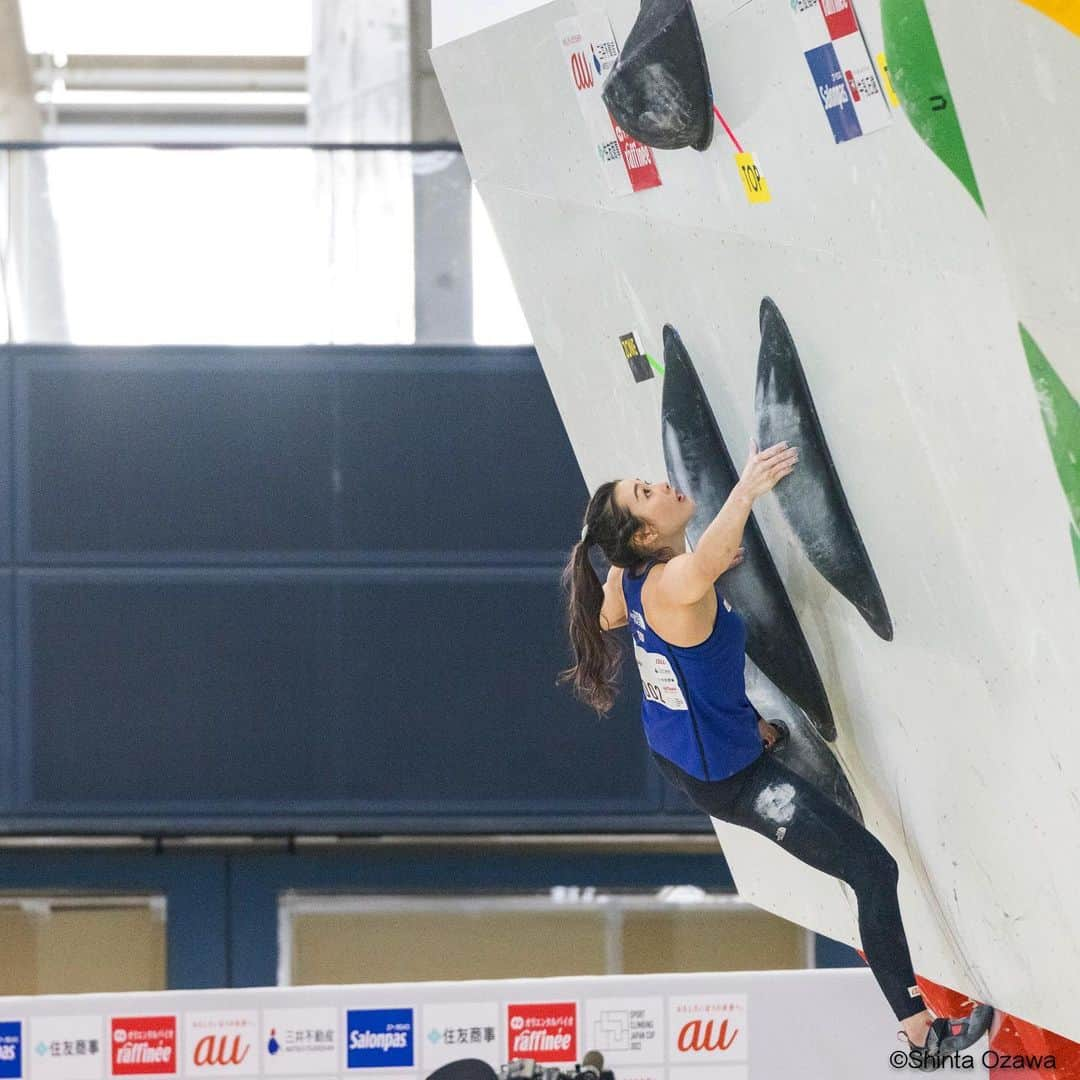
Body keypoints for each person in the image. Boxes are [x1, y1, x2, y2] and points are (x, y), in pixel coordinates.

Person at [558, 439, 993, 1067]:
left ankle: (744, 727)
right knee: (872, 871)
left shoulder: (633, 580)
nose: (661, 484)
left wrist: (620, 559)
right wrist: (748, 489)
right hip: (730, 778)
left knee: (729, 706)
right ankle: (922, 1033)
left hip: (684, 747)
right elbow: (700, 566)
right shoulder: (673, 581)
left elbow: (607, 618)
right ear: (648, 533)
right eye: (646, 494)